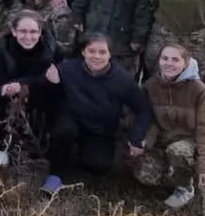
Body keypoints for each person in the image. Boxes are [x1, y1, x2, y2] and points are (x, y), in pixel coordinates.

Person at [39, 34, 152, 197]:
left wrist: (137, 137)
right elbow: (49, 95)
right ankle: (55, 174)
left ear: (110, 54)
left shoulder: (123, 79)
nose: (96, 56)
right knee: (64, 131)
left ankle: (76, 156)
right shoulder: (68, 68)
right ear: (83, 52)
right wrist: (53, 83)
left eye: (102, 52)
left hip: (101, 129)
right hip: (72, 121)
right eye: (91, 51)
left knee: (98, 166)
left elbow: (142, 109)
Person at [136, 44, 205, 211]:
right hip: (163, 140)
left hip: (188, 141)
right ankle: (172, 170)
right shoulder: (151, 86)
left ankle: (185, 187)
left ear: (186, 63)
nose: (169, 63)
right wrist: (146, 142)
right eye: (164, 58)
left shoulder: (199, 91)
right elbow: (149, 119)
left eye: (175, 59)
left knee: (177, 152)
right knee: (145, 176)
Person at [0, 9, 57, 168]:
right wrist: (2, 89)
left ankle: (39, 141)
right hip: (8, 103)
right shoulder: (3, 52)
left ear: (40, 32)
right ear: (14, 32)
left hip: (39, 103)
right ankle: (0, 142)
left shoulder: (51, 50)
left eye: (33, 32)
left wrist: (24, 84)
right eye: (23, 31)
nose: (28, 37)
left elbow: (59, 79)